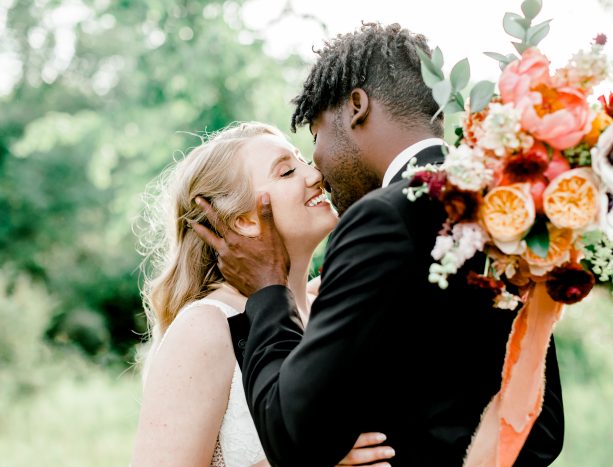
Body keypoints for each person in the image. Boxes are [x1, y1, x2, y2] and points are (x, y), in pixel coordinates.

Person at [192, 23, 565, 467]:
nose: (317, 168)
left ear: (356, 107)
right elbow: (541, 431)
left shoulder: (382, 217)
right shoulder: (504, 208)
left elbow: (295, 438)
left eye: (316, 136)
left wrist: (268, 290)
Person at [130, 122, 396, 467]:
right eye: (287, 172)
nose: (315, 174)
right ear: (243, 221)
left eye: (303, 161)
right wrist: (310, 457)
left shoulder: (329, 309)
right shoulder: (206, 326)